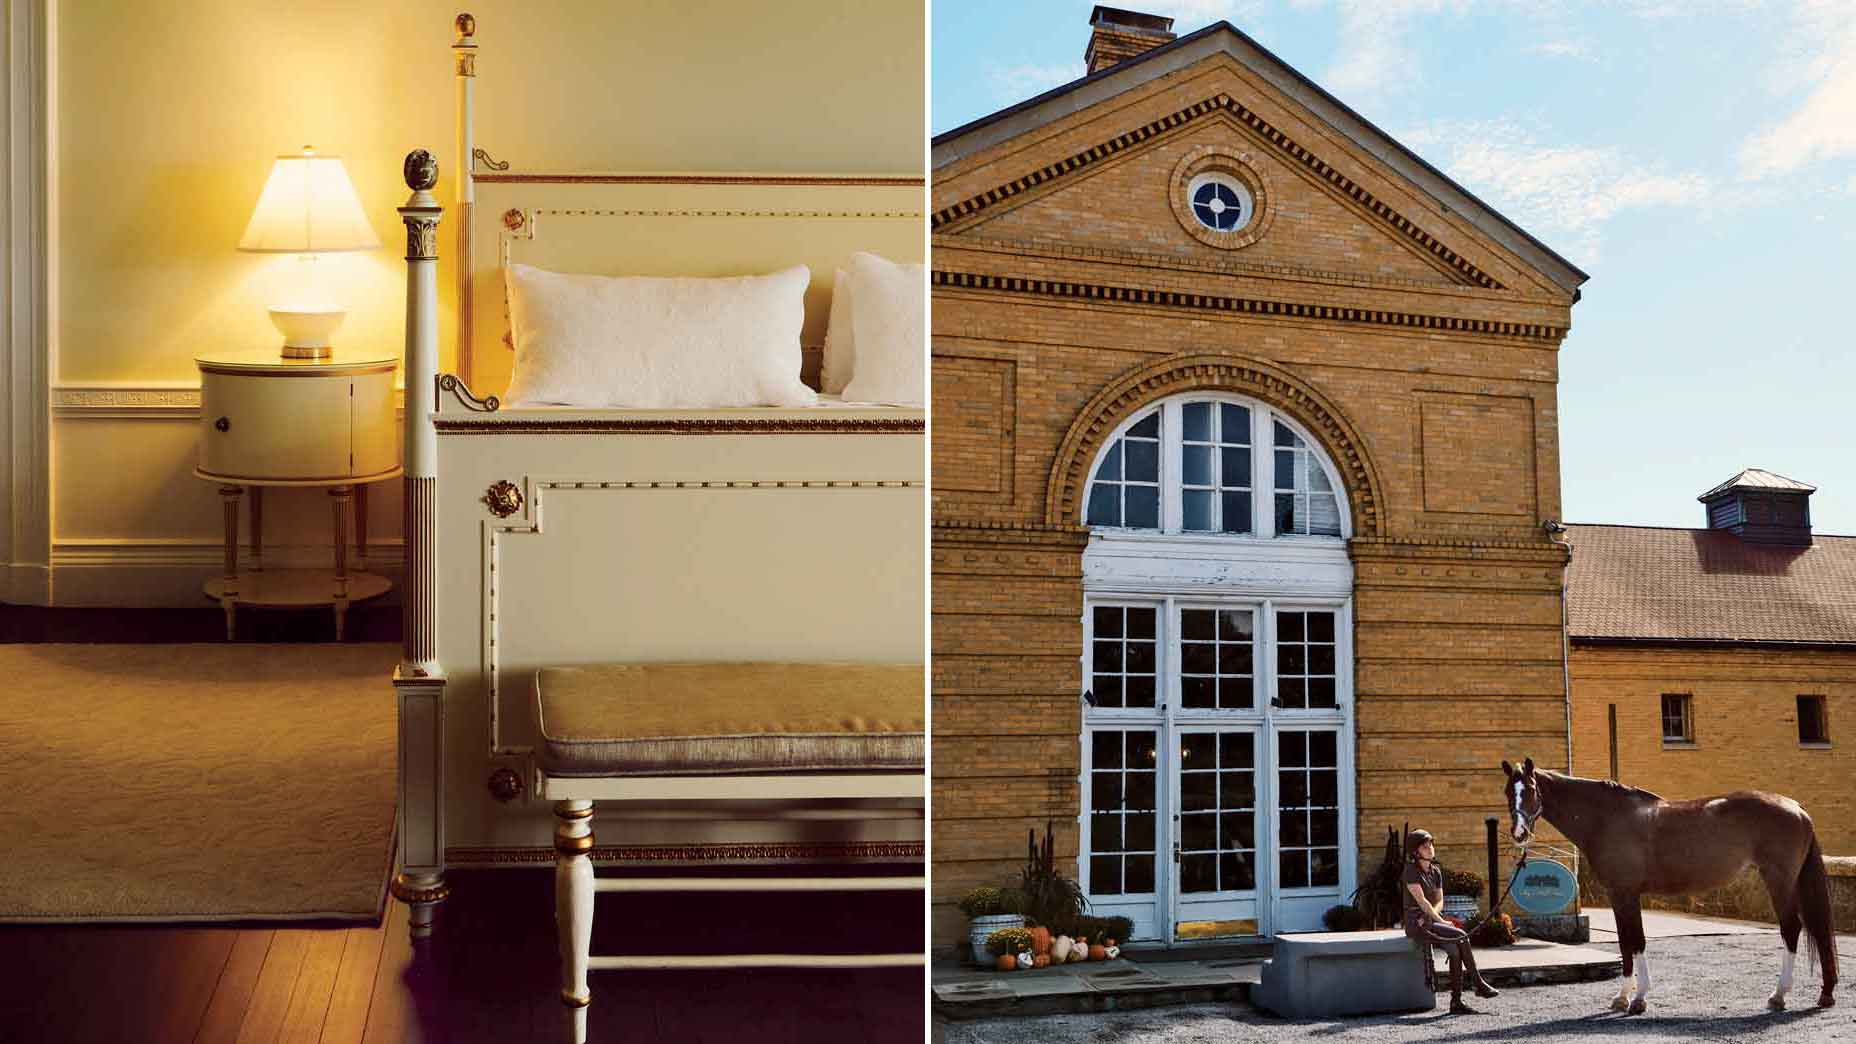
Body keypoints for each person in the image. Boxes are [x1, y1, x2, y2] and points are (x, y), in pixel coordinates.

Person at [1402, 828, 1500, 1014]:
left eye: (1431, 843)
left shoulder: (1435, 871)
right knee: (1461, 935)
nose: (1430, 847)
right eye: (1425, 845)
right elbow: (1422, 901)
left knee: (1455, 951)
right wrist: (1440, 920)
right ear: (1416, 852)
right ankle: (1478, 983)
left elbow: (1439, 901)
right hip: (1417, 924)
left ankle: (1456, 1002)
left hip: (1431, 921)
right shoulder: (1410, 871)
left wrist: (1437, 918)